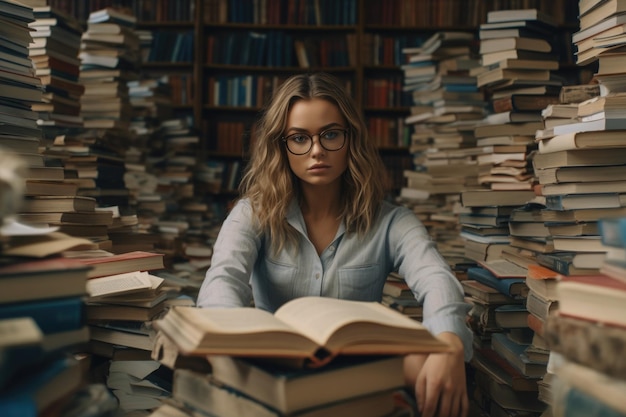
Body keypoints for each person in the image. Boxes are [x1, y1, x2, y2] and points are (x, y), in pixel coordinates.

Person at [197, 72, 473, 417]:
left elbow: (436, 278)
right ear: (281, 145)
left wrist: (448, 342)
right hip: (276, 367)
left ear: (350, 139)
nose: (316, 151)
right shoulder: (252, 214)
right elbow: (222, 281)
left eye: (330, 135)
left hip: (360, 370)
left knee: (431, 362)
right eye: (299, 138)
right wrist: (236, 344)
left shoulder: (390, 221)